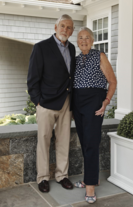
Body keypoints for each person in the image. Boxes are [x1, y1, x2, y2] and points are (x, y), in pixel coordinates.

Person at [27, 14, 76, 193]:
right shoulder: (41, 48)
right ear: (55, 27)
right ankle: (43, 177)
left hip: (66, 103)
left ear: (71, 31)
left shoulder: (71, 49)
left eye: (69, 27)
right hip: (46, 103)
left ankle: (62, 175)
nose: (65, 30)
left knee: (63, 141)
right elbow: (32, 78)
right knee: (44, 141)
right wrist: (37, 101)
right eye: (62, 26)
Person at [73, 27, 117, 203]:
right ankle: (91, 178)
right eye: (80, 38)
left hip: (94, 102)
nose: (84, 41)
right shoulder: (75, 60)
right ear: (77, 42)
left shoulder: (100, 56)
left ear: (92, 40)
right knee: (84, 142)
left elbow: (112, 81)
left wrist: (106, 102)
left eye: (87, 38)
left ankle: (90, 186)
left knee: (91, 143)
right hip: (77, 102)